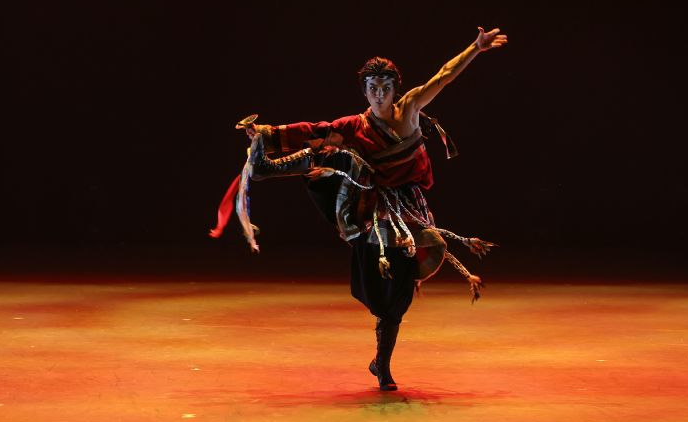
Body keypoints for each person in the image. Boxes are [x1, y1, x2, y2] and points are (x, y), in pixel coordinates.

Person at [210, 27, 508, 391]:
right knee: (334, 151)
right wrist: (267, 134)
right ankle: (266, 166)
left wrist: (475, 48)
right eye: (373, 88)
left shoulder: (410, 108)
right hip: (371, 208)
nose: (380, 94)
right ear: (364, 91)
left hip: (407, 211)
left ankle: (382, 363)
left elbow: (443, 76)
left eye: (386, 87)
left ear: (396, 89)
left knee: (398, 293)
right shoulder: (356, 125)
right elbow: (315, 130)